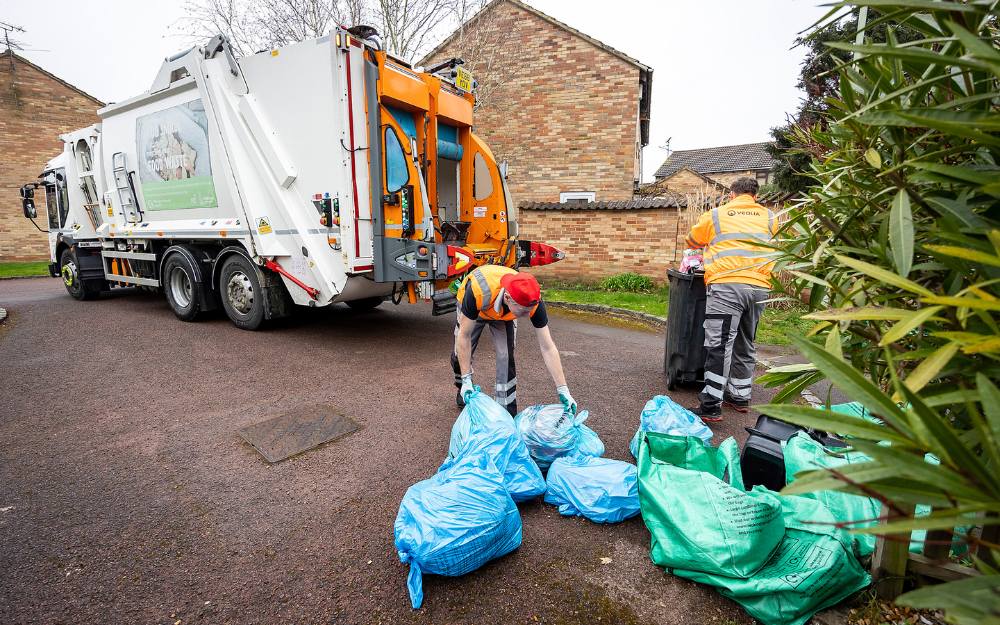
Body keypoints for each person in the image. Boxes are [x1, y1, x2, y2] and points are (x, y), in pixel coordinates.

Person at [684, 177, 776, 422]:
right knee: (746, 342)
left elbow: (692, 241)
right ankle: (739, 396)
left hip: (727, 287)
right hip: (759, 288)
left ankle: (711, 405)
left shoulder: (716, 214)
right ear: (756, 196)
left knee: (719, 345)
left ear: (732, 195)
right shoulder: (769, 217)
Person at [451, 265, 575, 417]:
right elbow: (464, 336)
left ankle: (505, 414)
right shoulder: (477, 290)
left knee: (506, 357)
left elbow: (548, 347)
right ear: (507, 298)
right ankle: (462, 387)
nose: (527, 315)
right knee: (460, 355)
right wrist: (465, 379)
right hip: (477, 307)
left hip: (504, 314)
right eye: (523, 312)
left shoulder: (532, 302)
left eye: (529, 311)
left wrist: (563, 389)